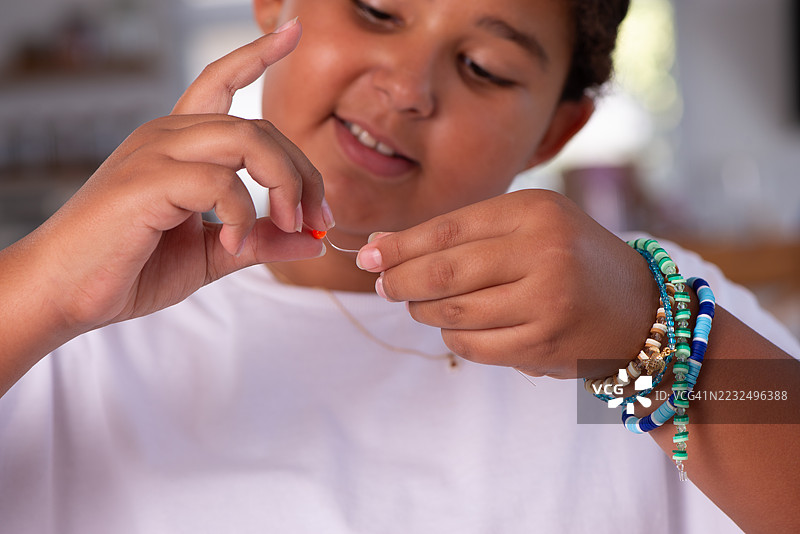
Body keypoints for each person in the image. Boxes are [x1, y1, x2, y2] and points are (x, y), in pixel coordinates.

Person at [1, 0, 798, 532]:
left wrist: (646, 342)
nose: (408, 88)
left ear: (554, 133)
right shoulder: (69, 329)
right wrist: (40, 292)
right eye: (377, 9)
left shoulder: (633, 317)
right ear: (274, 4)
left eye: (484, 66)